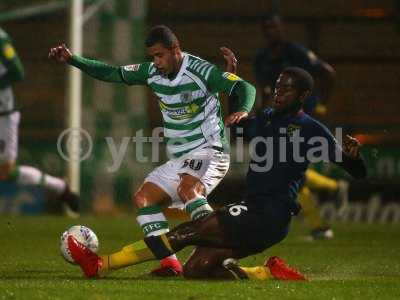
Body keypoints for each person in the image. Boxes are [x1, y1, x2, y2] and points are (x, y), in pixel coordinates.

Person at [66, 67, 367, 281]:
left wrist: (355, 158)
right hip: (255, 210)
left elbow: (355, 170)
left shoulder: (312, 130)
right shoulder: (267, 119)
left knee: (185, 233)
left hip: (271, 214)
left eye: (286, 88)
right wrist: (229, 81)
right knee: (198, 269)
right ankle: (267, 272)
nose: (279, 91)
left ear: (303, 95)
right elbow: (235, 124)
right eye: (277, 85)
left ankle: (102, 265)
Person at [49, 25, 256, 275]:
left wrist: (242, 110)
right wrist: (73, 59)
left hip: (210, 151)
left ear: (175, 49)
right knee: (143, 198)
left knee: (188, 189)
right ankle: (170, 264)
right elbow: (112, 73)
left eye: (160, 56)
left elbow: (245, 88)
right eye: (152, 57)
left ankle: (217, 251)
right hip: (182, 158)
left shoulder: (200, 71)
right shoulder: (151, 73)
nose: (156, 62)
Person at [253, 14, 347, 239]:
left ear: (282, 29)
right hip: (279, 119)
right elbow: (265, 90)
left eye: (274, 27)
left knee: (289, 169)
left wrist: (322, 104)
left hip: (302, 118)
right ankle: (333, 191)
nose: (270, 31)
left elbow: (328, 73)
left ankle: (321, 224)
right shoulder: (262, 59)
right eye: (266, 27)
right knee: (290, 169)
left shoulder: (296, 52)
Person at [0, 27, 80, 217]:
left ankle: (60, 188)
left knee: (6, 173)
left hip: (3, 115)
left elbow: (17, 71)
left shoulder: (1, 39)